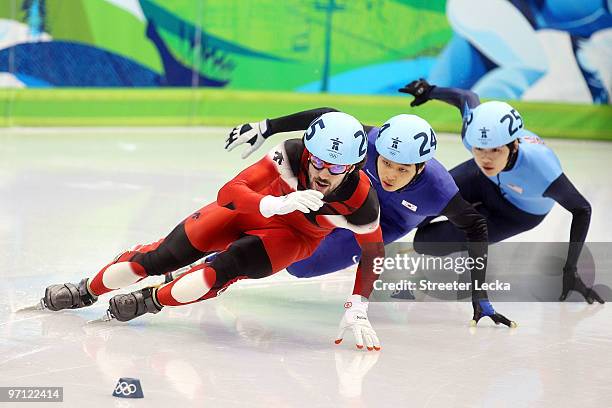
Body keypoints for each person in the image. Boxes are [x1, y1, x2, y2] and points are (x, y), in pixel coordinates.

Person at [41, 112, 385, 351]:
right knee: (162, 257)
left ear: (353, 166)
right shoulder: (291, 153)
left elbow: (373, 254)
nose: (324, 172)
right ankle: (86, 289)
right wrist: (272, 205)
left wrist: (358, 304)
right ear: (308, 152)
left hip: (292, 239)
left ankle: (152, 300)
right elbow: (232, 191)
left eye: (337, 166)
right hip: (255, 209)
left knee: (219, 270)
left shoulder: (362, 202)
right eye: (319, 161)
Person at [226, 111, 516, 327]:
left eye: (402, 169)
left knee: (301, 267)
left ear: (421, 166)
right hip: (349, 199)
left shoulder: (439, 191)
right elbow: (329, 116)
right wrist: (268, 127)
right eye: (386, 163)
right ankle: (214, 259)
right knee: (267, 206)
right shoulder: (370, 140)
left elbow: (476, 227)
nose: (390, 175)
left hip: (385, 223)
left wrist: (480, 296)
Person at [399, 79, 604, 304]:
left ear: (514, 145)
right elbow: (466, 98)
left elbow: (582, 209)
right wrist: (429, 91)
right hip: (480, 180)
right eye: (479, 149)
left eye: (495, 150)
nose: (486, 158)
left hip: (517, 213)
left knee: (425, 242)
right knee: (415, 214)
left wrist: (570, 270)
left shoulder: (541, 169)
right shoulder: (474, 133)